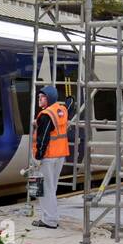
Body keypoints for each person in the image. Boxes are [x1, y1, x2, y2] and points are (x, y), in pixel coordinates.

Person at [31, 85, 69, 229]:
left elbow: (44, 136)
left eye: (43, 97)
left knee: (44, 188)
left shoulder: (46, 115)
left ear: (50, 98)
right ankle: (51, 217)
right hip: (60, 155)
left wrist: (38, 155)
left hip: (47, 156)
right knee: (51, 187)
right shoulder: (61, 110)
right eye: (39, 96)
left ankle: (50, 220)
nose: (40, 99)